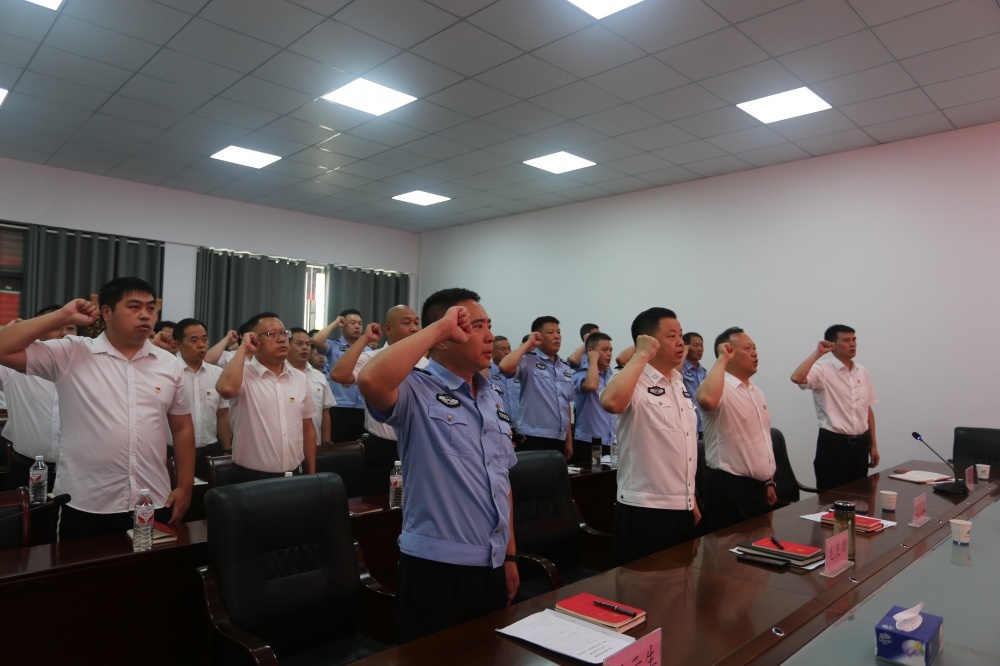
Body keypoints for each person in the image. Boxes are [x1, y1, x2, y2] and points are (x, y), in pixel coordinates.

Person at [356, 288, 518, 643]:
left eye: (489, 325)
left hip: (491, 564)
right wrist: (440, 327)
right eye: (476, 326)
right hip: (436, 568)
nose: (489, 336)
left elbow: (501, 481)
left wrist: (510, 557)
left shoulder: (492, 396)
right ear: (443, 339)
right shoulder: (416, 389)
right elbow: (369, 380)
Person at [0, 278, 196, 541]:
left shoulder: (168, 364)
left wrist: (185, 485)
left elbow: (182, 427)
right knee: (79, 567)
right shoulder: (72, 352)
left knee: (148, 567)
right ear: (106, 312)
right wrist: (62, 316)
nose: (145, 315)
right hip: (85, 501)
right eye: (134, 307)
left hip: (151, 499)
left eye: (151, 308)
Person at [600, 308, 699, 564]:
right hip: (644, 509)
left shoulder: (678, 382)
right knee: (642, 586)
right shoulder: (632, 379)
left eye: (680, 335)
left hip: (682, 507)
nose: (680, 342)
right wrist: (641, 354)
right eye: (671, 336)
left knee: (682, 582)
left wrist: (690, 497)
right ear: (648, 341)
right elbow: (611, 402)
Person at [330, 305, 425, 493]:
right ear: (388, 329)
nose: (414, 328)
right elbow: (339, 375)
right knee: (378, 500)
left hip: (418, 445)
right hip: (383, 447)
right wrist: (365, 339)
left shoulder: (426, 362)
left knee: (415, 498)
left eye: (417, 323)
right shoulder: (372, 358)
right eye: (407, 323)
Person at [216, 312, 316, 484]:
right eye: (272, 334)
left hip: (295, 475)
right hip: (250, 479)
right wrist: (244, 348)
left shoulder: (299, 378)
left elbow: (307, 428)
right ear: (254, 340)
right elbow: (226, 389)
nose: (281, 339)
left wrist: (312, 474)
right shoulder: (243, 375)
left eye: (284, 333)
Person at [696, 327, 777, 534]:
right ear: (729, 351)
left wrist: (769, 482)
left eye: (755, 348)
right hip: (729, 489)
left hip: (758, 488)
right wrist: (721, 360)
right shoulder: (719, 388)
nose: (755, 353)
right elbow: (706, 400)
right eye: (748, 348)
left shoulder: (756, 391)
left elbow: (762, 440)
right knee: (729, 550)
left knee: (757, 547)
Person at [790, 324, 879, 491]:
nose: (852, 344)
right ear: (832, 345)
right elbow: (797, 378)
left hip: (861, 445)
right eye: (846, 340)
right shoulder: (822, 370)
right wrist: (817, 353)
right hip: (834, 445)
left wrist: (873, 445)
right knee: (831, 498)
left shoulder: (862, 371)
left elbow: (867, 410)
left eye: (854, 340)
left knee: (860, 496)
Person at [0, 308, 77, 492]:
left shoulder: (87, 366)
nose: (65, 333)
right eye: (57, 327)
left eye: (71, 328)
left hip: (75, 471)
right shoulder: (12, 367)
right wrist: (6, 335)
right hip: (27, 467)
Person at [499, 316, 573, 459]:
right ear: (538, 336)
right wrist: (528, 343)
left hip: (559, 437)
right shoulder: (528, 360)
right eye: (551, 332)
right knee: (533, 473)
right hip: (533, 436)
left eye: (558, 332)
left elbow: (566, 404)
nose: (557, 336)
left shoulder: (565, 367)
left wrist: (569, 439)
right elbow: (504, 366)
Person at [171, 318, 232, 481]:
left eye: (204, 339)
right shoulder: (168, 372)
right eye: (194, 340)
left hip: (210, 451)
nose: (201, 345)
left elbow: (223, 415)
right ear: (178, 344)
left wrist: (226, 450)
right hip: (174, 452)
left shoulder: (217, 373)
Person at [313, 309, 366, 442]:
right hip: (340, 408)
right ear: (343, 326)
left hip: (363, 408)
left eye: (360, 323)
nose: (357, 326)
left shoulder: (367, 349)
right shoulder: (334, 346)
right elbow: (316, 340)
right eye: (352, 323)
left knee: (363, 450)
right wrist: (335, 323)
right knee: (340, 449)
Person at [571, 332, 616, 465]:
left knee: (609, 476)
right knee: (593, 475)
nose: (609, 354)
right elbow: (591, 386)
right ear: (590, 352)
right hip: (590, 443)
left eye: (610, 350)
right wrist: (593, 361)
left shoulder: (611, 377)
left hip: (610, 442)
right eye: (604, 350)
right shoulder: (580, 374)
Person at [288, 328, 335, 447]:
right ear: (287, 346)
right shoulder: (279, 375)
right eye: (299, 344)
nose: (305, 348)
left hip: (315, 444)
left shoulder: (319, 377)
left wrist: (326, 442)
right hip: (287, 444)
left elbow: (325, 411)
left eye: (308, 344)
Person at [487, 336, 521, 428]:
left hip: (520, 428)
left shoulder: (518, 372)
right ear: (492, 353)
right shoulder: (486, 373)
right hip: (498, 426)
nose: (507, 352)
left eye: (509, 348)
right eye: (503, 349)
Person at [682, 332, 708, 439]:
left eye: (701, 345)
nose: (700, 349)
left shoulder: (704, 372)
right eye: (696, 345)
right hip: (688, 427)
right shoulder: (679, 369)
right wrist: (683, 353)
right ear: (686, 347)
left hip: (704, 428)